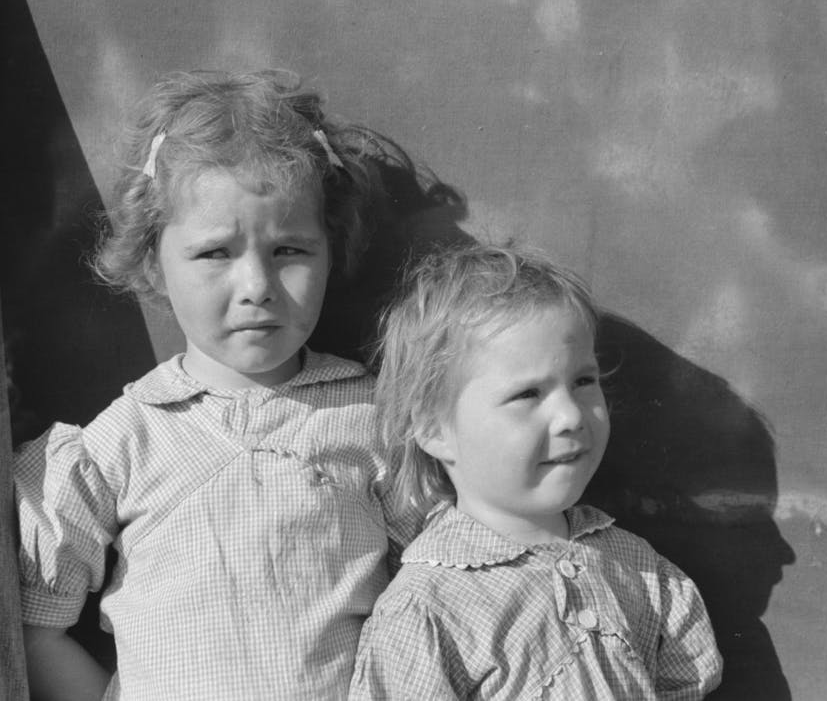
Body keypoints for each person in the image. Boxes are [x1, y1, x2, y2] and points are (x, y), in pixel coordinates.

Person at [14, 70, 414, 700]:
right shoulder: (123, 441)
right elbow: (36, 631)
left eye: (289, 250)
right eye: (214, 253)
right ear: (153, 260)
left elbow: (433, 591)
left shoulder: (371, 422)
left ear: (331, 252)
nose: (256, 284)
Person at [349, 244, 723, 700]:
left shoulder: (636, 565)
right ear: (434, 429)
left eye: (584, 381)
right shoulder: (428, 610)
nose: (571, 416)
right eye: (528, 394)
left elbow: (687, 680)